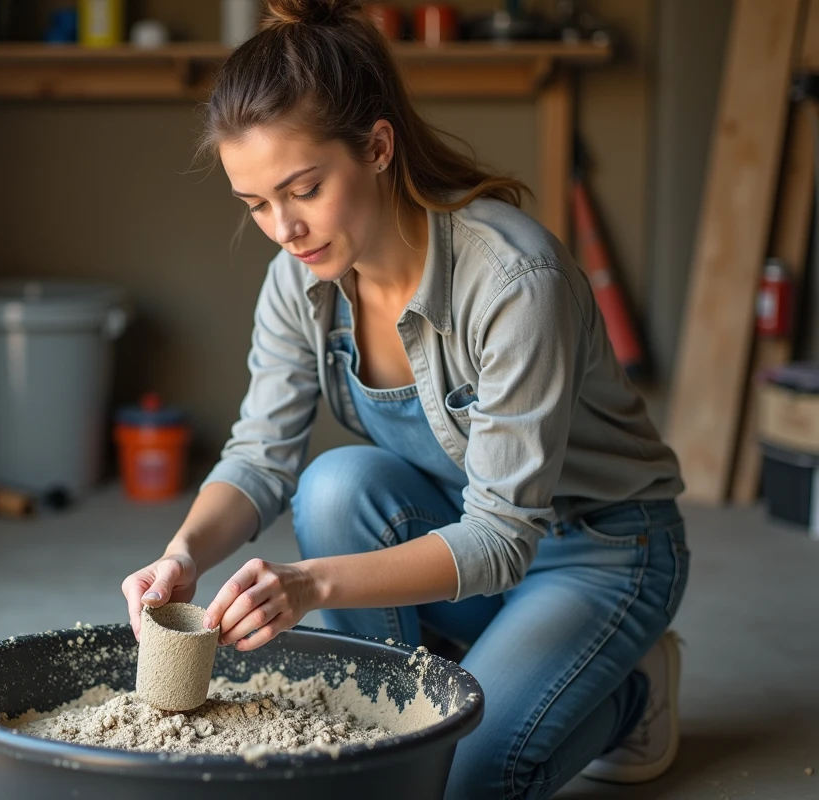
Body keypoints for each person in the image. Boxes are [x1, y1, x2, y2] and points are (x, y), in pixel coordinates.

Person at [120, 0, 690, 795]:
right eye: (256, 205)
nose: (283, 228)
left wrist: (311, 585)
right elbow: (260, 457)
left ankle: (629, 691)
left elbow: (499, 538)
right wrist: (181, 555)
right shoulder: (301, 278)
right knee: (336, 487)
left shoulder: (514, 281)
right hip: (465, 533)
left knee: (454, 780)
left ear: (378, 147)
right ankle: (428, 701)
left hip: (600, 548)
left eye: (305, 189)